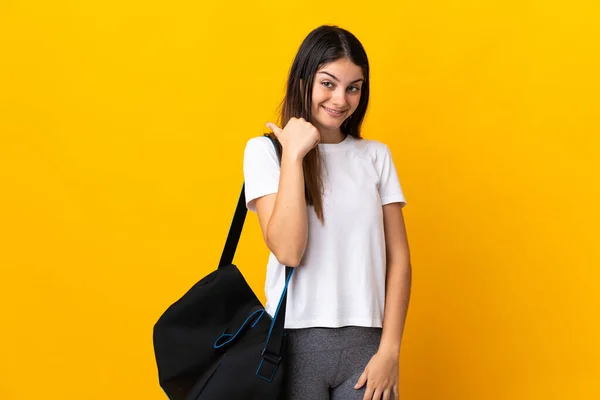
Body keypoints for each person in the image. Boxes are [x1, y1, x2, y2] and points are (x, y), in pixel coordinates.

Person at [243, 24, 411, 400]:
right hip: (290, 343)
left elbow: (399, 259)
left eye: (354, 87)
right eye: (329, 83)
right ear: (303, 81)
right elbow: (288, 250)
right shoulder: (264, 152)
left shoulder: (375, 156)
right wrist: (294, 155)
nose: (341, 99)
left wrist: (390, 351)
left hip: (367, 348)